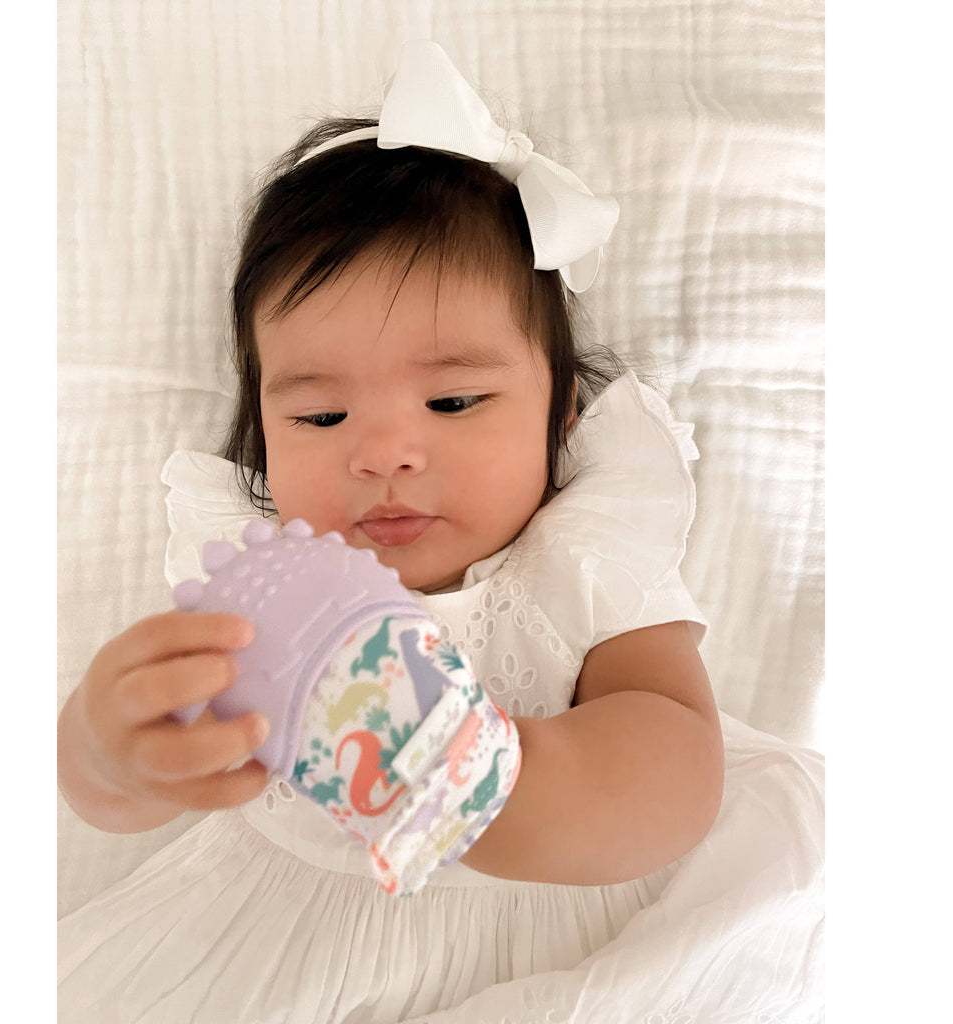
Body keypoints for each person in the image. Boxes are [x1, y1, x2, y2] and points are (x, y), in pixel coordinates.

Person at [56, 41, 814, 1024]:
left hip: (568, 943)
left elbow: (678, 765)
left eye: (453, 399)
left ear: (562, 417)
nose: (382, 451)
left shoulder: (578, 566)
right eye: (319, 417)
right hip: (286, 961)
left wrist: (492, 787)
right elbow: (133, 787)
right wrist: (108, 754)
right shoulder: (262, 593)